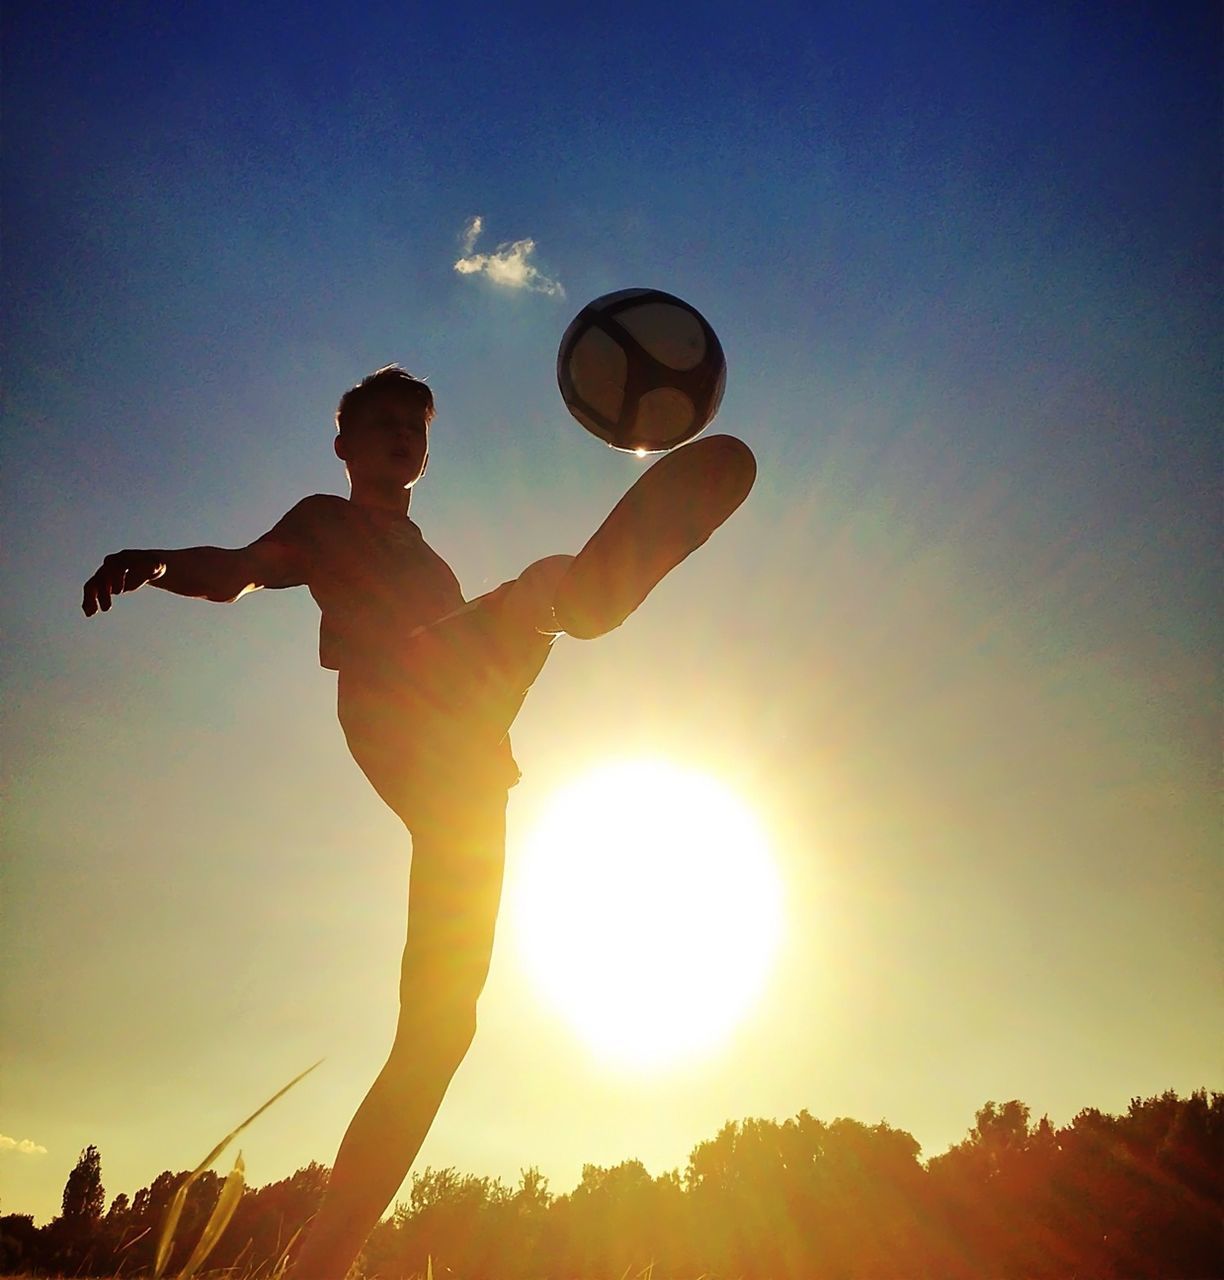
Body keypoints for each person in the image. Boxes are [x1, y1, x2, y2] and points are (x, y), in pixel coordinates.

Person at [81, 365, 754, 1277]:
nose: (402, 434)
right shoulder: (327, 520)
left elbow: (478, 666)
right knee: (533, 594)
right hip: (396, 697)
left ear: (425, 454)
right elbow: (242, 572)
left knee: (443, 1028)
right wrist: (159, 564)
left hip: (473, 761)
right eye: (383, 422)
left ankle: (317, 1262)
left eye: (415, 426)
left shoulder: (435, 565)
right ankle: (566, 594)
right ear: (345, 445)